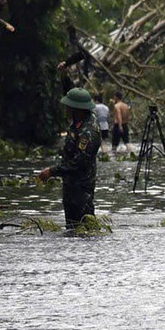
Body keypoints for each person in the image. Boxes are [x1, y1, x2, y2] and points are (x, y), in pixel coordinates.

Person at [39, 88, 102, 229]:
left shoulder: (89, 131)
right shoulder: (78, 123)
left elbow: (78, 163)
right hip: (70, 186)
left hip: (81, 188)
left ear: (76, 109)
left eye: (69, 107)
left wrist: (52, 171)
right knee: (72, 230)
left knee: (85, 229)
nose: (66, 109)